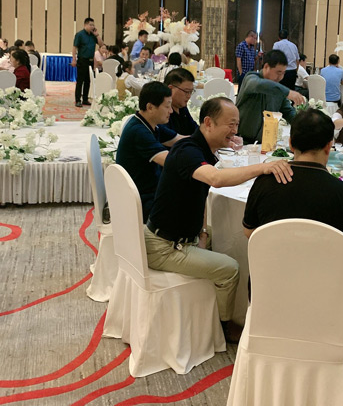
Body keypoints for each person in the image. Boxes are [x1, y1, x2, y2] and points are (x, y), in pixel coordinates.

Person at [145, 97, 293, 341]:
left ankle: (214, 306)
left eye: (237, 124)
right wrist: (263, 167)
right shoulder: (187, 151)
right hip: (166, 246)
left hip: (179, 236)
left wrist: (202, 233)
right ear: (208, 123)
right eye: (230, 124)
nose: (235, 130)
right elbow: (216, 180)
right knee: (230, 269)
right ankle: (224, 327)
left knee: (220, 235)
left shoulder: (201, 150)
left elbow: (201, 196)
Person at [243, 108, 343, 265]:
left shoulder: (264, 183)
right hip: (327, 280)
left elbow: (250, 232)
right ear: (329, 146)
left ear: (291, 144)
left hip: (270, 279)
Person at [115, 82, 186, 220]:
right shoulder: (138, 131)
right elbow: (169, 161)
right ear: (150, 107)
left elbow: (180, 140)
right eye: (167, 106)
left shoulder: (150, 124)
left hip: (150, 191)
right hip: (139, 200)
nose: (171, 111)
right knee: (191, 199)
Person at [236, 49, 305, 143]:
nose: (280, 77)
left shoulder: (278, 90)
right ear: (266, 66)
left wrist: (303, 125)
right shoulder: (251, 78)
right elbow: (259, 85)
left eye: (283, 73)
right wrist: (288, 92)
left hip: (264, 144)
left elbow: (288, 112)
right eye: (278, 72)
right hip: (240, 142)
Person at [164, 67, 198, 135]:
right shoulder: (162, 112)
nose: (189, 96)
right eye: (186, 91)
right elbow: (170, 137)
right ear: (170, 89)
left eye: (191, 92)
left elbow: (195, 128)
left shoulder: (182, 107)